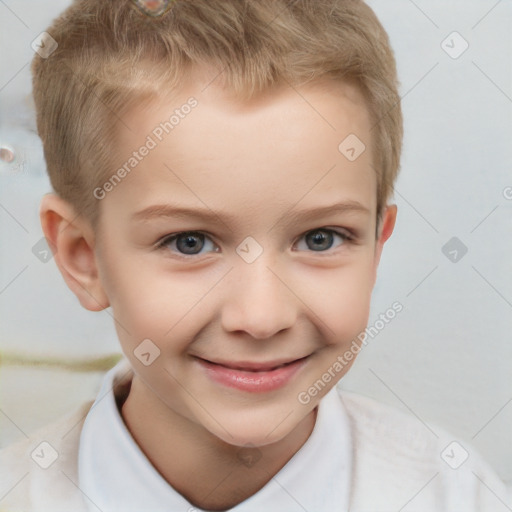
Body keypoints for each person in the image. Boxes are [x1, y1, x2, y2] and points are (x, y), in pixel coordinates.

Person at [0, 0, 510, 510]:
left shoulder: (454, 494)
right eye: (189, 242)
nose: (262, 318)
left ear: (377, 247)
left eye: (320, 238)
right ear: (83, 256)